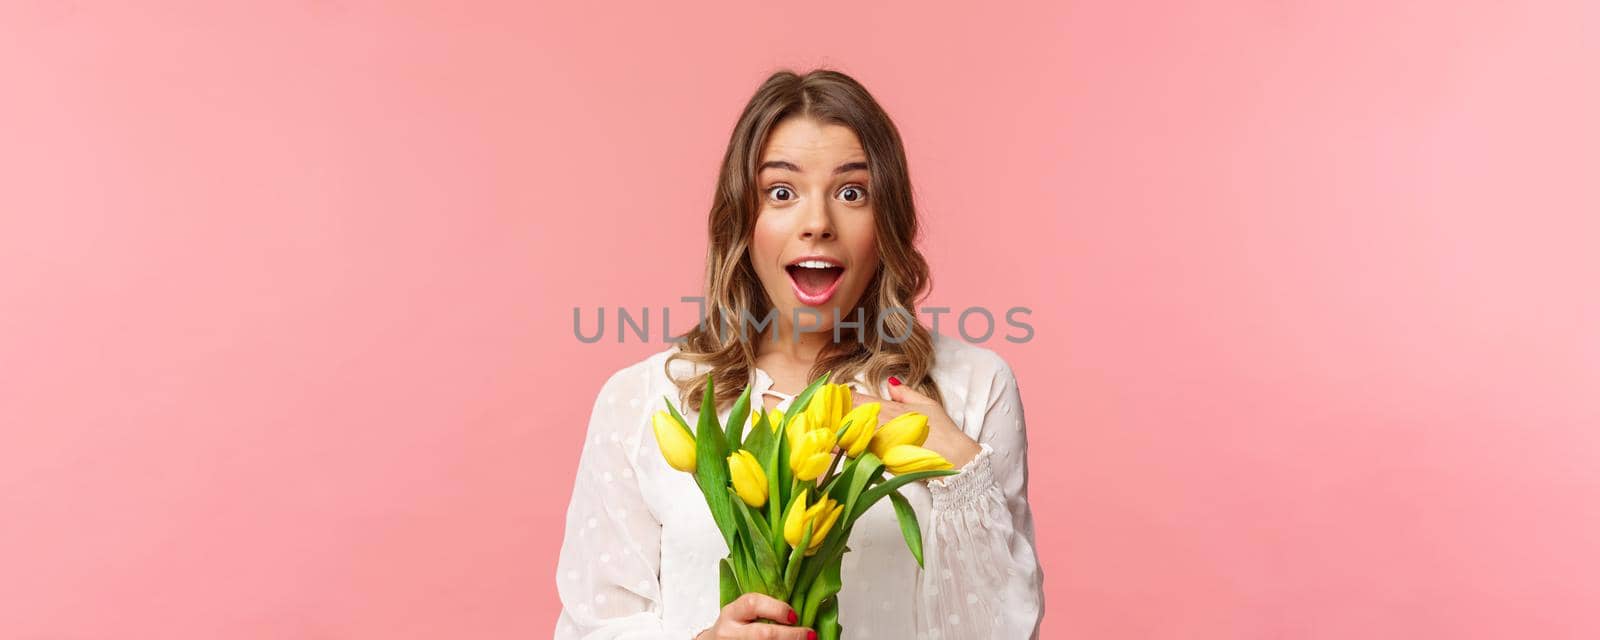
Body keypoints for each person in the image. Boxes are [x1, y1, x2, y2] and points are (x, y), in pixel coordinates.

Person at [554, 69, 1044, 639]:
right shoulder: (643, 400)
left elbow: (1005, 629)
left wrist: (961, 470)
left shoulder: (973, 387)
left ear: (886, 222)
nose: (817, 224)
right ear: (743, 220)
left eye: (852, 193)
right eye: (781, 193)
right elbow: (593, 625)